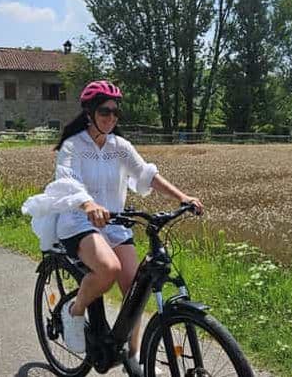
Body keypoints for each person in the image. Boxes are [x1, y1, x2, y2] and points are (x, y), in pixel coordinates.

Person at [22, 80, 203, 358]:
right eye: (105, 111)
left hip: (115, 224)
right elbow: (67, 180)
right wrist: (88, 203)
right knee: (108, 268)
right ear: (90, 112)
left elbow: (146, 174)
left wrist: (182, 197)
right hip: (79, 221)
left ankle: (134, 358)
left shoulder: (119, 146)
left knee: (136, 289)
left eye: (115, 113)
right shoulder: (73, 146)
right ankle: (75, 310)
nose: (111, 117)